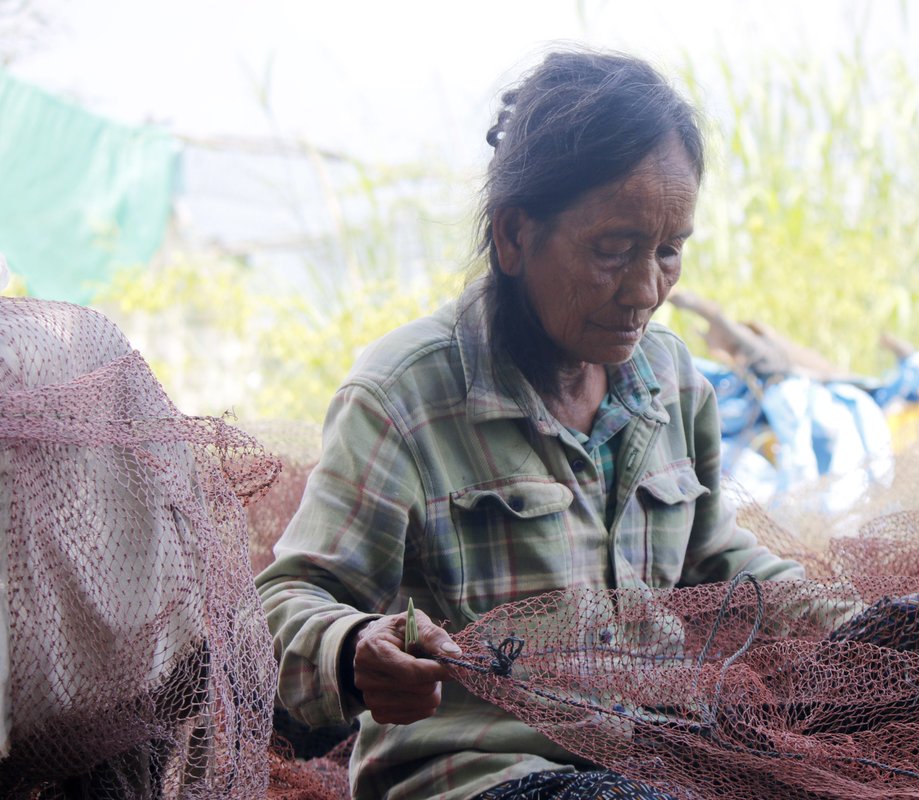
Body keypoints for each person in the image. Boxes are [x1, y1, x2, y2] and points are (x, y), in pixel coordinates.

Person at [255, 49, 813, 800]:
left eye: (670, 252)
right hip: (481, 777)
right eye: (613, 251)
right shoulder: (405, 395)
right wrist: (355, 645)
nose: (647, 290)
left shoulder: (672, 382)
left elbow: (712, 561)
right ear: (515, 235)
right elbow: (284, 601)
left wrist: (857, 626)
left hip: (660, 762)